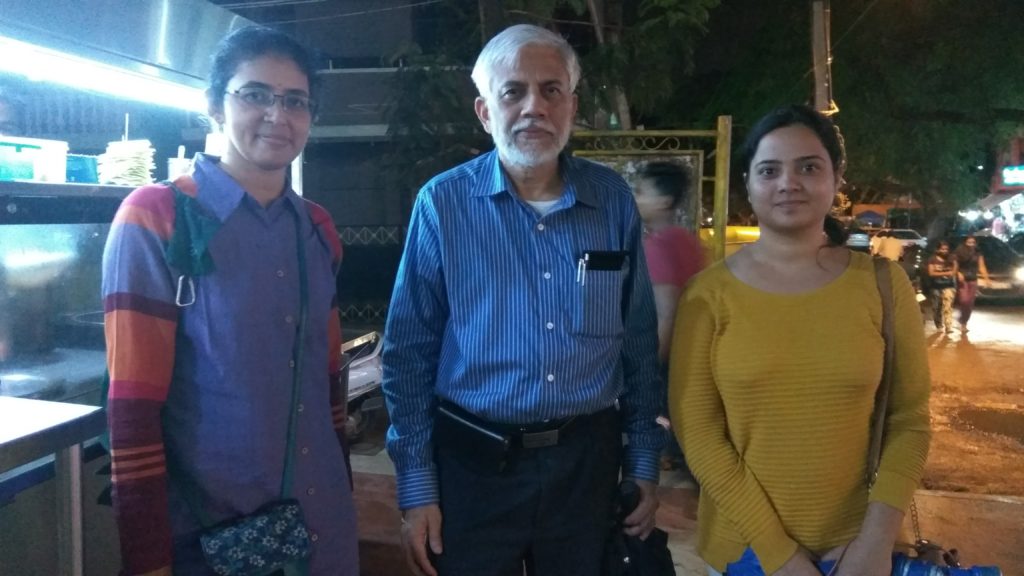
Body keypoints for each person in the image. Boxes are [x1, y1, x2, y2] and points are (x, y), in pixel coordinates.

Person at [382, 23, 664, 576]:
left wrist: (644, 461)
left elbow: (637, 343)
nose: (534, 106)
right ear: (486, 112)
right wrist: (418, 488)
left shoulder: (611, 201)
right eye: (513, 92)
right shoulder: (443, 205)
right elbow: (407, 354)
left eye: (551, 89)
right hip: (473, 465)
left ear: (572, 105)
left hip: (586, 465)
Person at [103, 26, 358, 575]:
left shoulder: (317, 229)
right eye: (255, 94)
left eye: (296, 101)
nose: (277, 115)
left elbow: (330, 379)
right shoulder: (157, 218)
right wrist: (147, 560)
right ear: (215, 106)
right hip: (215, 537)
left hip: (325, 527)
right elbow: (132, 408)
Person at [669, 104, 931, 576]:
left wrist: (874, 543)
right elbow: (700, 436)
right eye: (769, 171)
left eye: (808, 167)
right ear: (749, 184)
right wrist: (780, 556)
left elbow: (908, 419)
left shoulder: (882, 284)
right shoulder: (707, 296)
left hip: (858, 555)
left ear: (836, 179)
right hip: (742, 555)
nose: (788, 182)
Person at [633, 160, 705, 361]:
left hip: (664, 359)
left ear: (663, 201)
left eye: (641, 193)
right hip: (691, 351)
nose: (636, 199)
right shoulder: (688, 241)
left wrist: (649, 369)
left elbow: (665, 316)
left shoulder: (657, 247)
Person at [952, 234, 990, 334]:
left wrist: (986, 278)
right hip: (963, 279)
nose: (971, 244)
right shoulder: (959, 252)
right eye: (969, 242)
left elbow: (981, 266)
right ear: (965, 242)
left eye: (973, 242)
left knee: (970, 303)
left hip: (973, 279)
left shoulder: (978, 253)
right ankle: (960, 318)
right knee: (964, 300)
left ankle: (963, 323)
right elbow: (955, 266)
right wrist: (958, 273)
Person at [926, 240, 957, 333]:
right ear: (938, 250)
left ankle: (948, 326)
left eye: (946, 249)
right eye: (942, 249)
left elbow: (955, 270)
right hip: (935, 286)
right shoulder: (932, 259)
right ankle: (938, 323)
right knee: (936, 307)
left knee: (948, 305)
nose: (944, 251)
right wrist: (946, 272)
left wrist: (954, 267)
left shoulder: (951, 259)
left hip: (948, 285)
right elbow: (931, 273)